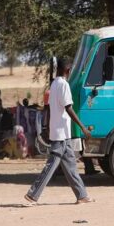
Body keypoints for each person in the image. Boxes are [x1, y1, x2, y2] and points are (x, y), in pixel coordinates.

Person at [25, 57, 95, 205]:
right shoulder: (63, 85)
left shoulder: (54, 84)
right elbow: (68, 107)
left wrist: (47, 126)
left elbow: (49, 109)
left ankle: (82, 195)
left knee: (71, 166)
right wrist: (82, 127)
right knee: (51, 166)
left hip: (61, 133)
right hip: (61, 134)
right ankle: (32, 195)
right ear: (68, 70)